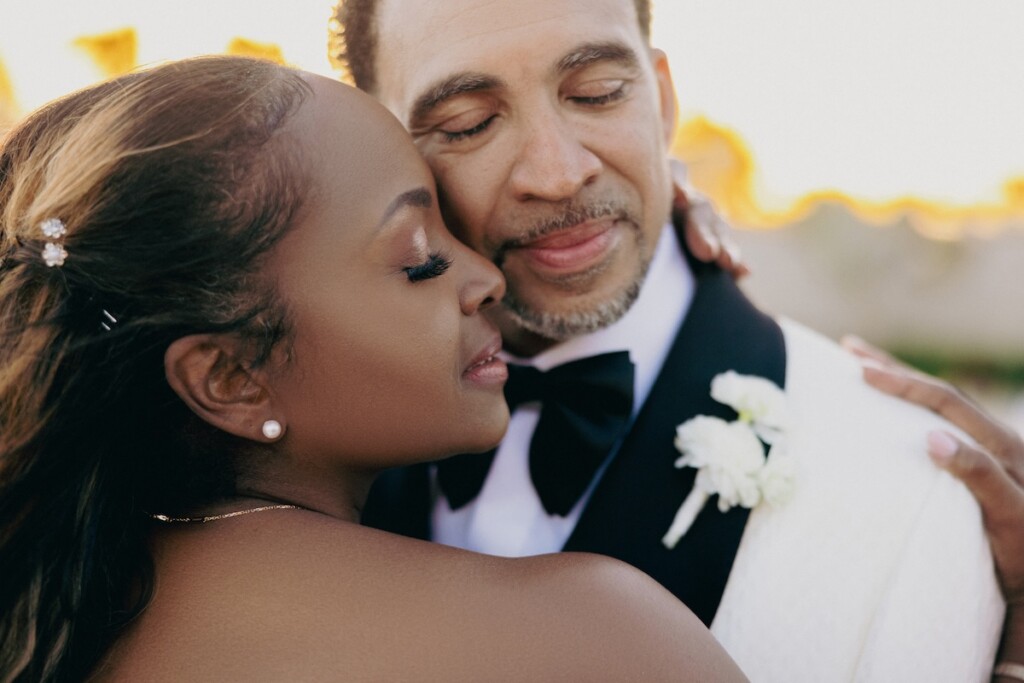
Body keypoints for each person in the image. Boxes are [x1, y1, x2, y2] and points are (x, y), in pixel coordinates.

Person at [0, 56, 748, 682]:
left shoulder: (51, 622)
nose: (486, 275)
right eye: (420, 257)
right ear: (229, 378)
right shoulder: (591, 639)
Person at [331, 0, 1007, 678]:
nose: (559, 174)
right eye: (469, 124)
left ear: (662, 100)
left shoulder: (914, 495)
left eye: (596, 93)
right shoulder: (326, 436)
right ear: (388, 152)